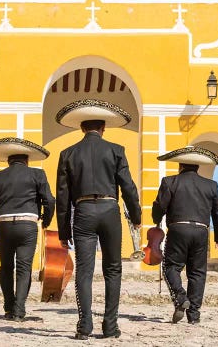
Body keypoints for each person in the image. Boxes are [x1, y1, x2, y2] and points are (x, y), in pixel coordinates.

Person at [55, 99, 142, 340]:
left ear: (82, 128)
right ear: (103, 128)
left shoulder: (67, 154)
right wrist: (136, 217)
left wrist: (64, 232)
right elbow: (128, 187)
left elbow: (62, 197)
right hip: (109, 209)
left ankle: (84, 326)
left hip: (83, 211)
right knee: (113, 269)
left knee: (84, 270)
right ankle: (110, 326)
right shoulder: (116, 150)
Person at [0, 137, 55, 321]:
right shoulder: (37, 175)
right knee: (24, 268)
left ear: (8, 160)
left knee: (6, 267)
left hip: (4, 225)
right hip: (27, 225)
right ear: (27, 160)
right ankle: (19, 311)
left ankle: (8, 307)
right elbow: (50, 201)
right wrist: (46, 220)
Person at [152, 146, 218, 325]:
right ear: (198, 166)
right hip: (201, 231)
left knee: (171, 267)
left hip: (178, 229)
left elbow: (160, 206)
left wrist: (156, 219)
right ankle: (194, 315)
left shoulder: (169, 182)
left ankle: (180, 296)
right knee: (198, 273)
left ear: (180, 165)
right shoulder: (211, 185)